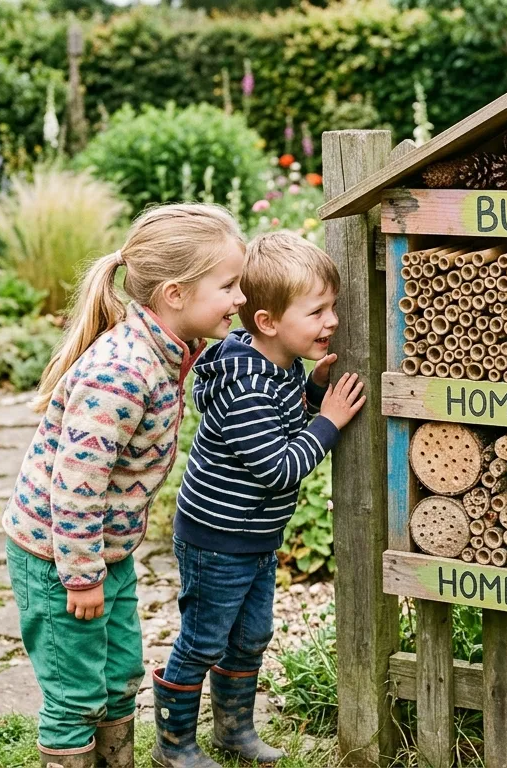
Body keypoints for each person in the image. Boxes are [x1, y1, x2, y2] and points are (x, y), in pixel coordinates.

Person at [2, 204, 246, 768]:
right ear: (175, 293)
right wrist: (82, 576)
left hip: (102, 551)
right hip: (58, 555)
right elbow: (76, 487)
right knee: (76, 690)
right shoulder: (122, 373)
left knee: (120, 675)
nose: (239, 298)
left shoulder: (169, 349)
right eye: (229, 286)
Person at [151, 231, 366, 767]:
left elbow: (283, 422)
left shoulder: (278, 365)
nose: (332, 321)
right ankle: (173, 744)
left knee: (251, 636)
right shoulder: (245, 385)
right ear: (268, 323)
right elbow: (277, 467)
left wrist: (312, 391)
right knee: (202, 641)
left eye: (331, 307)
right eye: (317, 311)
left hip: (253, 536)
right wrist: (329, 421)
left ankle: (234, 731)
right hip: (217, 539)